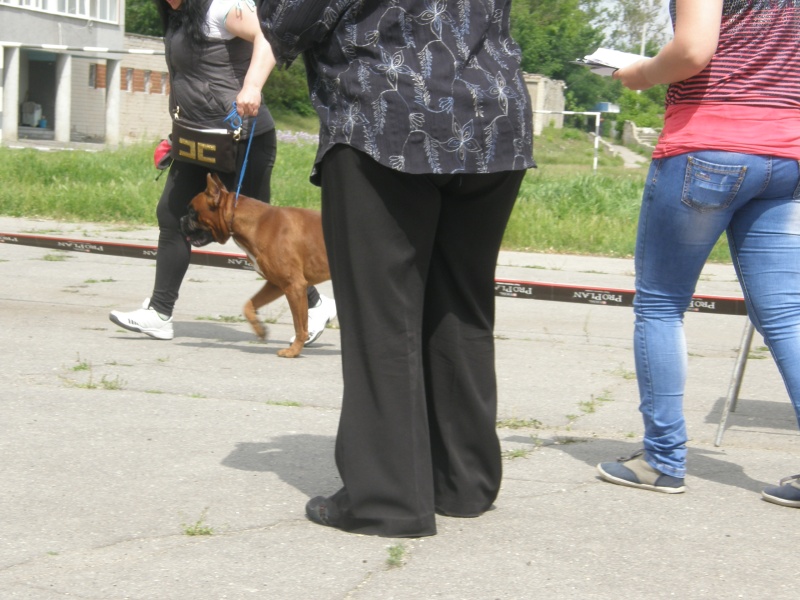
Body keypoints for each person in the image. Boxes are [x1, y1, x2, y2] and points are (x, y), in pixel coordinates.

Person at [258, 0, 535, 537]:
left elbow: (288, 18)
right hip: (492, 114)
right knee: (461, 306)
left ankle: (387, 498)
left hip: (387, 113)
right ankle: (463, 481)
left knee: (382, 315)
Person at [596, 0, 800, 507]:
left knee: (661, 304)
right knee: (787, 315)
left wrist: (640, 73)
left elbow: (691, 50)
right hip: (789, 153)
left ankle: (662, 460)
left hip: (709, 145)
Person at [109, 0, 336, 344]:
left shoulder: (221, 6)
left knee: (260, 236)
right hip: (196, 138)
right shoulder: (177, 15)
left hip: (241, 138)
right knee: (171, 215)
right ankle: (159, 312)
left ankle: (315, 304)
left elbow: (266, 35)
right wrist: (174, 134)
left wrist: (253, 85)